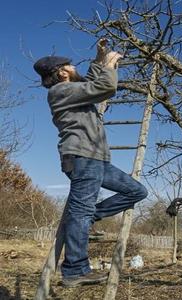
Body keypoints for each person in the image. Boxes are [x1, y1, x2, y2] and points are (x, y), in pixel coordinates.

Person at [33, 40, 148, 287]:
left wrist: (99, 59)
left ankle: (87, 217)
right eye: (69, 64)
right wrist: (108, 65)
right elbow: (105, 87)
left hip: (95, 159)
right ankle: (75, 271)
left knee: (137, 191)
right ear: (62, 72)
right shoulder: (60, 91)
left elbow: (89, 83)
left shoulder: (72, 89)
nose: (74, 65)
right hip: (82, 157)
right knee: (80, 212)